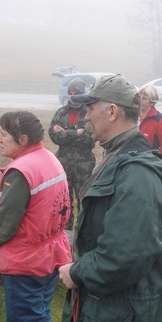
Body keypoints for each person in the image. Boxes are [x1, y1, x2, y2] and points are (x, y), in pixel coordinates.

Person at [58, 74, 162, 322]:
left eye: (91, 107)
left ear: (112, 111)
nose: (85, 116)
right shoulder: (116, 158)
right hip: (106, 315)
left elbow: (127, 254)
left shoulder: (136, 173)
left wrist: (77, 271)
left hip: (116, 320)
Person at [0, 111, 72, 322]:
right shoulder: (49, 158)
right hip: (51, 252)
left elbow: (6, 221)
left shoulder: (21, 171)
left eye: (4, 134)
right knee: (38, 314)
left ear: (22, 140)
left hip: (27, 260)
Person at [48, 77, 96, 230]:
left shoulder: (89, 113)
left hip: (84, 165)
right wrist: (77, 132)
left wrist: (66, 133)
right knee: (64, 198)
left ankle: (83, 229)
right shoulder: (61, 112)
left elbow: (90, 140)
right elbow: (54, 136)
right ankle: (65, 228)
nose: (72, 96)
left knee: (84, 197)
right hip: (62, 163)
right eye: (70, 92)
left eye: (76, 93)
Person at [138, 84, 162, 160]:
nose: (140, 100)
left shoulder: (160, 120)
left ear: (152, 102)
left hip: (148, 167)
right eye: (139, 97)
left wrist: (154, 162)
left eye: (144, 98)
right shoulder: (132, 117)